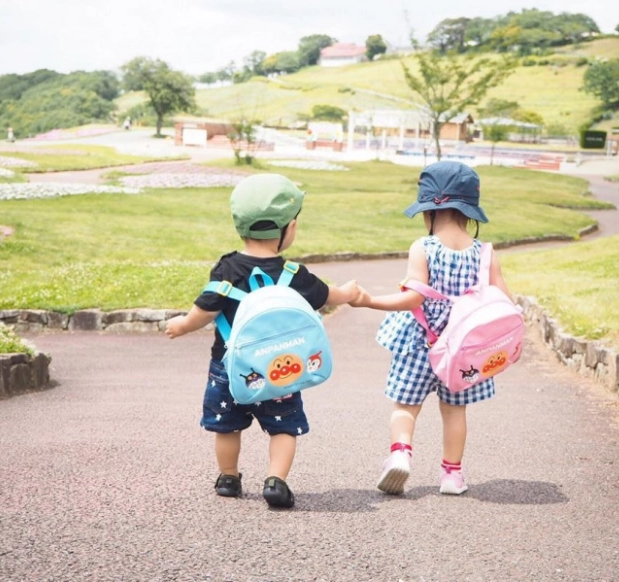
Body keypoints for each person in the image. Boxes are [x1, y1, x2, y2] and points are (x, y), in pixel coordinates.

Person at [165, 173, 359, 509]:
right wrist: (350, 293)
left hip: (229, 368)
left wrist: (182, 325)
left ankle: (228, 477)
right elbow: (328, 295)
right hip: (280, 371)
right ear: (288, 229)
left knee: (226, 427)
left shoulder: (227, 269)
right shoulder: (295, 276)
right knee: (283, 428)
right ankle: (276, 480)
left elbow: (206, 308)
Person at [350, 161, 514, 496]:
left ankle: (400, 455)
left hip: (419, 345)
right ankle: (452, 476)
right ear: (469, 211)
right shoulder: (485, 253)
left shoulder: (423, 247)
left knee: (405, 408)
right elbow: (504, 301)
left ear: (429, 212)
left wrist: (369, 300)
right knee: (454, 412)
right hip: (463, 353)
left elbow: (413, 299)